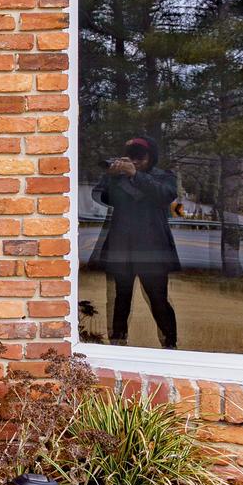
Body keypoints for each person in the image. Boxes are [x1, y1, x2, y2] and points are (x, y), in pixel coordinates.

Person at [89, 136, 180, 348]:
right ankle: (117, 343)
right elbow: (103, 198)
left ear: (152, 157)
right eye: (131, 156)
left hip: (153, 249)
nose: (135, 160)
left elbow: (165, 195)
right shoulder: (118, 177)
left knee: (159, 300)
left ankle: (170, 345)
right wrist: (112, 177)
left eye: (140, 156)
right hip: (122, 247)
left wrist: (135, 175)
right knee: (120, 300)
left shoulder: (164, 176)